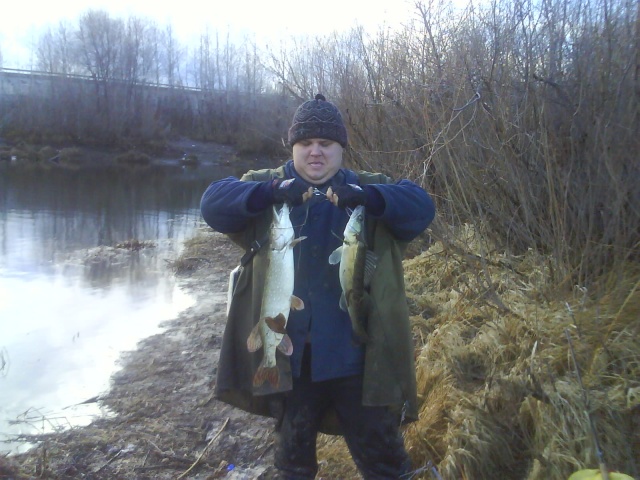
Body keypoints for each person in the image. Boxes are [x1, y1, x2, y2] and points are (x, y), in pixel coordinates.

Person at [200, 94, 436, 479]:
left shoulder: (367, 188)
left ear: (341, 148)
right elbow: (212, 204)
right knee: (293, 466)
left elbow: (421, 207)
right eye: (305, 143)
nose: (315, 152)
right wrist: (270, 192)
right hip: (295, 363)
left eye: (325, 143)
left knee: (387, 466)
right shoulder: (267, 186)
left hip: (357, 360)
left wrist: (369, 198)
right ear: (292, 147)